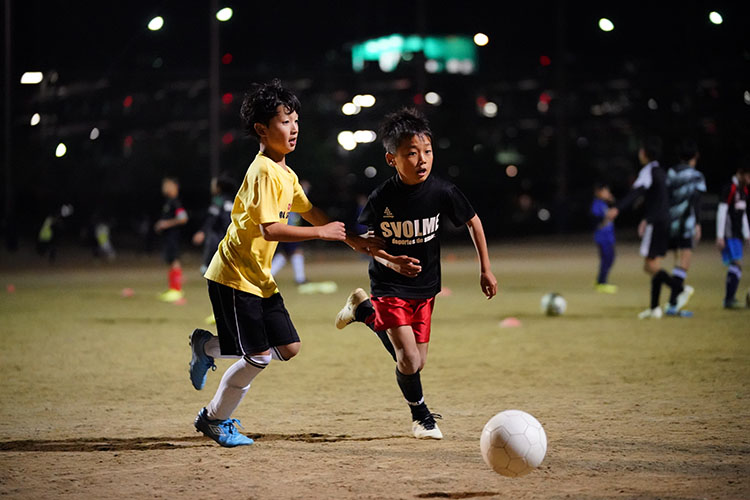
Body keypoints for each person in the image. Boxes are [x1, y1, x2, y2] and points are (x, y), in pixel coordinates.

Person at [187, 79, 376, 447]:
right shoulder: (262, 172)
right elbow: (271, 230)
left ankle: (206, 347)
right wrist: (323, 235)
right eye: (284, 121)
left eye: (295, 120)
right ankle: (214, 419)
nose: (294, 129)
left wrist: (353, 240)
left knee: (288, 348)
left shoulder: (286, 174)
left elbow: (310, 211)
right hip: (234, 276)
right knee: (258, 357)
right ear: (262, 129)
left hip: (258, 280)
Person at [334, 107, 498, 440]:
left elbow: (473, 221)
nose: (422, 160)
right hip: (389, 284)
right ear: (391, 159)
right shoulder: (382, 198)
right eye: (411, 153)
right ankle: (421, 417)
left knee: (417, 362)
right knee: (408, 358)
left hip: (425, 287)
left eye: (427, 152)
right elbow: (361, 242)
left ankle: (363, 311)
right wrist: (391, 260)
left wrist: (486, 268)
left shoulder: (442, 191)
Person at [607, 136, 692, 319]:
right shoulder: (661, 171)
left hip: (657, 222)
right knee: (655, 263)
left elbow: (636, 192)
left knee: (649, 265)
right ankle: (654, 308)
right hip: (664, 220)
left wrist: (617, 209)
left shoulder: (648, 171)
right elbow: (658, 198)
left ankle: (679, 289)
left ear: (645, 154)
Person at [664, 139, 706, 316]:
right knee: (684, 262)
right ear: (695, 156)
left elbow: (665, 196)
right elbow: (696, 199)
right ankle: (673, 303)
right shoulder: (697, 176)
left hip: (670, 222)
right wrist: (697, 223)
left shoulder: (672, 172)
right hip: (686, 223)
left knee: (676, 261)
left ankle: (674, 299)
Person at [716, 162, 750, 309]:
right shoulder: (730, 188)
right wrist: (720, 235)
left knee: (735, 266)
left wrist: (747, 234)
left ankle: (730, 299)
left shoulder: (744, 191)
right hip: (729, 233)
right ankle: (729, 300)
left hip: (737, 234)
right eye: (748, 176)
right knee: (736, 264)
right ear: (740, 173)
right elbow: (722, 212)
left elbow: (743, 215)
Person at [193, 174, 237, 275]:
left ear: (219, 187)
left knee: (210, 266)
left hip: (218, 236)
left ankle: (207, 267)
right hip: (232, 235)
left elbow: (212, 219)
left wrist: (202, 232)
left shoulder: (218, 200)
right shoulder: (234, 200)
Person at [154, 177, 189, 302]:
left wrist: (165, 224)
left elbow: (183, 218)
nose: (164, 188)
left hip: (173, 237)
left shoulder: (175, 202)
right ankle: (172, 289)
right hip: (168, 237)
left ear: (174, 186)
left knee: (175, 261)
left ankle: (177, 290)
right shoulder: (168, 202)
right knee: (170, 261)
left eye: (167, 185)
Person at [270, 179, 311, 285]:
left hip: (284, 228)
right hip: (290, 228)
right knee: (297, 251)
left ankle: (269, 275)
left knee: (284, 254)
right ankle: (300, 278)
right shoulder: (293, 196)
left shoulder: (284, 196)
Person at [590, 182, 617, 293]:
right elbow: (595, 217)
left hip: (609, 237)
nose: (608, 193)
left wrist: (612, 203)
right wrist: (605, 217)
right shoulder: (597, 204)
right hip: (602, 237)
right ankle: (602, 282)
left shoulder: (605, 204)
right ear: (599, 192)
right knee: (607, 259)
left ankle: (600, 281)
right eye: (605, 191)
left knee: (609, 258)